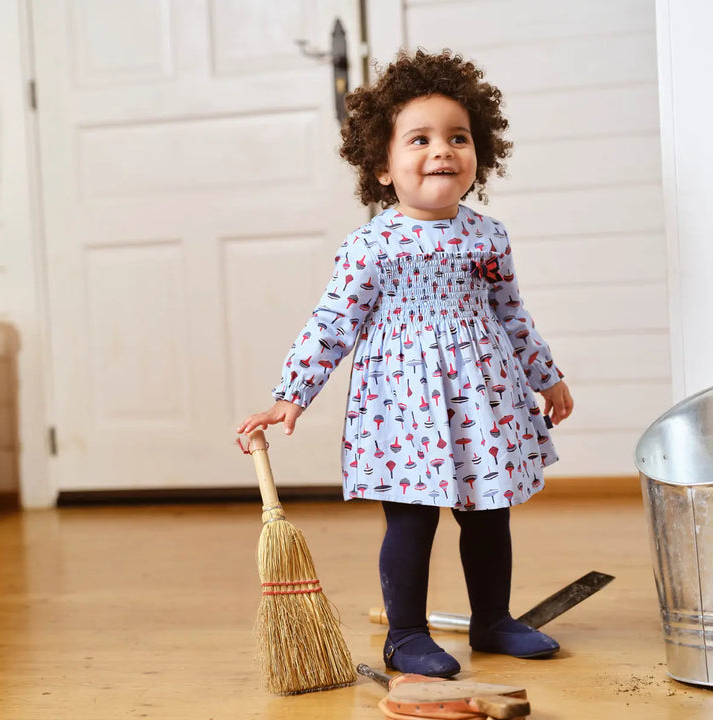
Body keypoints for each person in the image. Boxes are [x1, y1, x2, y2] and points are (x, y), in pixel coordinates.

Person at [238, 49, 573, 678]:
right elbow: (334, 322)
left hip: (482, 397)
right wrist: (292, 394)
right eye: (419, 139)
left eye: (458, 137)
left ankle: (492, 620)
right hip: (405, 405)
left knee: (488, 515)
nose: (442, 150)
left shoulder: (487, 236)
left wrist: (544, 374)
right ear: (382, 167)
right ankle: (407, 635)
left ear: (481, 154)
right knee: (412, 519)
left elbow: (511, 312)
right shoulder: (373, 244)